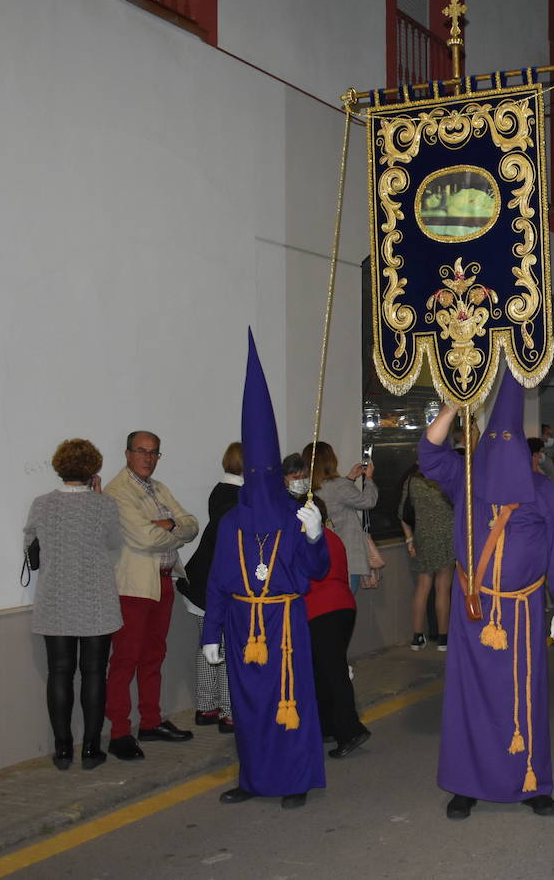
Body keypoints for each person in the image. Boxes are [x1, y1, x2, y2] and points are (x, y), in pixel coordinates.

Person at [420, 371, 554, 820]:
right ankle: (465, 783)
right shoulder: (465, 479)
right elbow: (429, 453)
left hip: (524, 611)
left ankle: (530, 780)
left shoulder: (542, 492)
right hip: (474, 609)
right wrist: (452, 406)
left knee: (524, 695)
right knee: (470, 697)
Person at [202, 332, 331, 808]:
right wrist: (211, 634)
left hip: (284, 623)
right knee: (249, 706)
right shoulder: (232, 521)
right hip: (240, 625)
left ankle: (293, 778)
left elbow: (317, 571)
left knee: (288, 702)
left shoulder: (297, 514)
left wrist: (316, 537)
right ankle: (253, 777)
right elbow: (217, 581)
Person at [24, 438, 123, 770]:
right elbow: (114, 548)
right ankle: (92, 750)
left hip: (55, 600)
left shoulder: (41, 504)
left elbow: (30, 545)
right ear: (93, 469)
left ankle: (63, 750)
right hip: (97, 601)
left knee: (59, 673)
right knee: (95, 672)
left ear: (59, 467)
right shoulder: (104, 505)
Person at [103, 430, 199, 761]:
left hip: (163, 581)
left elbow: (192, 525)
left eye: (154, 452)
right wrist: (173, 529)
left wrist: (169, 524)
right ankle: (118, 733)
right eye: (141, 451)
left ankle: (150, 721)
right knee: (125, 659)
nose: (148, 458)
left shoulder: (159, 489)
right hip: (133, 586)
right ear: (127, 453)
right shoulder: (117, 491)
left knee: (154, 655)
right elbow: (144, 539)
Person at [295, 487, 370, 759]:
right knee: (324, 672)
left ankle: (350, 730)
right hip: (343, 607)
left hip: (320, 611)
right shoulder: (332, 537)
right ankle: (328, 726)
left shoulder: (305, 540)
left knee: (332, 674)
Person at [179, 442, 242, 734]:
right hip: (219, 585)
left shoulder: (220, 490)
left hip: (200, 582)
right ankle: (230, 712)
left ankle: (207, 706)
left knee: (208, 645)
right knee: (229, 649)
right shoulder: (240, 497)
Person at [300, 441, 376, 593]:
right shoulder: (339, 486)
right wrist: (369, 479)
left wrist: (349, 479)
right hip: (346, 557)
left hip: (322, 557)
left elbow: (337, 499)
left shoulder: (307, 489)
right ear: (331, 461)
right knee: (346, 602)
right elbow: (368, 501)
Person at [399, 464, 456, 652]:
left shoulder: (412, 480)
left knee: (423, 586)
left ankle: (417, 638)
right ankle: (443, 639)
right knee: (443, 587)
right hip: (447, 536)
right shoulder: (447, 478)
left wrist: (409, 539)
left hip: (422, 537)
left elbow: (403, 513)